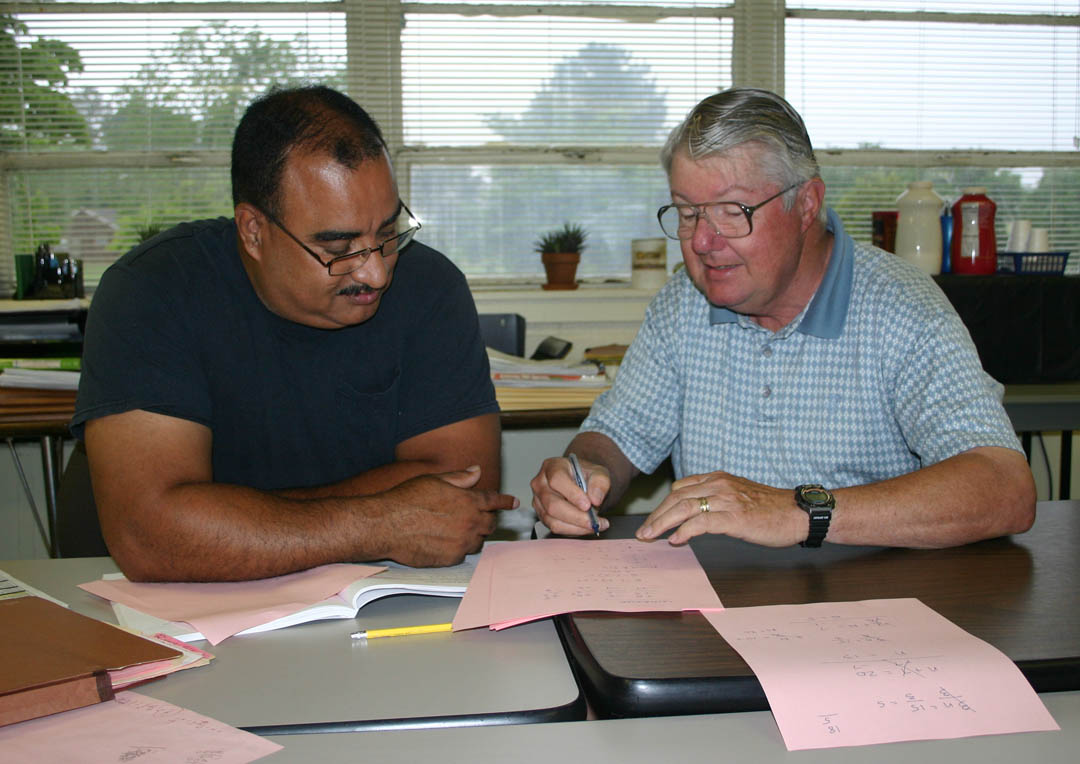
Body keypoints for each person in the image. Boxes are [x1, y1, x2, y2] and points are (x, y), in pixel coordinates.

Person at [531, 87, 1035, 550]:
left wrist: (798, 512)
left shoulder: (899, 309)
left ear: (806, 204)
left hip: (873, 612)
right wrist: (583, 473)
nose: (703, 242)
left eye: (732, 211)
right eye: (687, 213)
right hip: (721, 607)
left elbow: (1004, 488)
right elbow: (618, 436)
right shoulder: (683, 304)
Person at [72, 85, 517, 582]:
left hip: (382, 597)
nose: (376, 273)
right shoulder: (152, 290)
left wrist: (222, 517)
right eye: (339, 245)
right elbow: (150, 537)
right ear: (253, 231)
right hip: (193, 613)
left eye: (389, 232)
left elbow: (464, 498)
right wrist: (382, 521)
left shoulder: (430, 286)